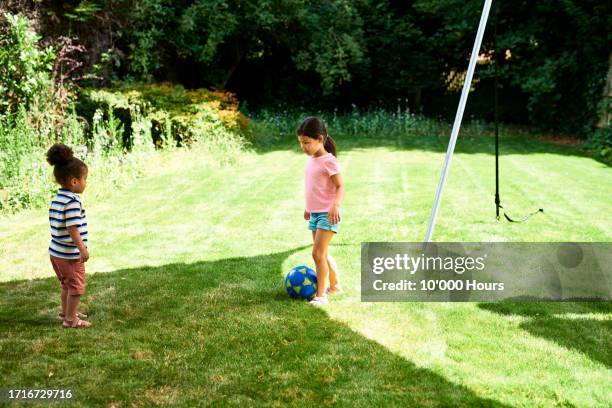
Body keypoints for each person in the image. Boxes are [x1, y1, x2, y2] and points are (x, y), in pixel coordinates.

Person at [297, 117, 345, 305]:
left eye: (307, 142)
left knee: (317, 254)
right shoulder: (311, 160)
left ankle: (321, 296)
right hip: (316, 213)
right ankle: (335, 286)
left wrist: (336, 205)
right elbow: (314, 187)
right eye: (301, 143)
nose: (303, 147)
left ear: (320, 139)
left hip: (328, 214)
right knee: (322, 253)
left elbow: (340, 186)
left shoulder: (329, 161)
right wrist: (309, 207)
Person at [46, 143, 91, 328]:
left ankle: (67, 312)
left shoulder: (58, 198)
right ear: (74, 181)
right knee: (77, 287)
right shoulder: (72, 201)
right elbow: (73, 228)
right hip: (69, 255)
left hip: (55, 253)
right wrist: (82, 249)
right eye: (85, 179)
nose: (85, 182)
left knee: (66, 284)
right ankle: (71, 320)